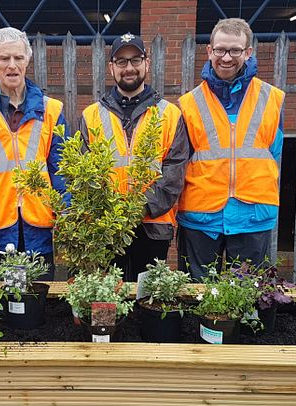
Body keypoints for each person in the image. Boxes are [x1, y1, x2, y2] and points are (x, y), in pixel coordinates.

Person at [177, 18, 285, 279]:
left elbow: (274, 152)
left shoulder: (271, 98)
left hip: (253, 215)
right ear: (209, 51)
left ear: (248, 52)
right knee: (196, 296)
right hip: (201, 216)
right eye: (220, 50)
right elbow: (180, 160)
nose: (227, 57)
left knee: (248, 299)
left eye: (235, 50)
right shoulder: (189, 103)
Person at [0, 27, 68, 280]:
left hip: (39, 223)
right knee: (6, 306)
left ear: (28, 60)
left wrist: (67, 212)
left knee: (39, 301)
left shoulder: (51, 110)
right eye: (5, 58)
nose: (12, 65)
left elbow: (61, 169)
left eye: (18, 58)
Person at [79, 33, 188, 282]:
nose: (129, 68)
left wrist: (136, 209)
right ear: (112, 67)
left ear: (147, 63)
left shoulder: (170, 114)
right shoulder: (91, 115)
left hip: (153, 225)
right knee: (109, 298)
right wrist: (112, 212)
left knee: (148, 300)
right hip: (106, 229)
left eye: (135, 60)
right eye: (121, 61)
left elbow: (174, 173)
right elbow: (85, 173)